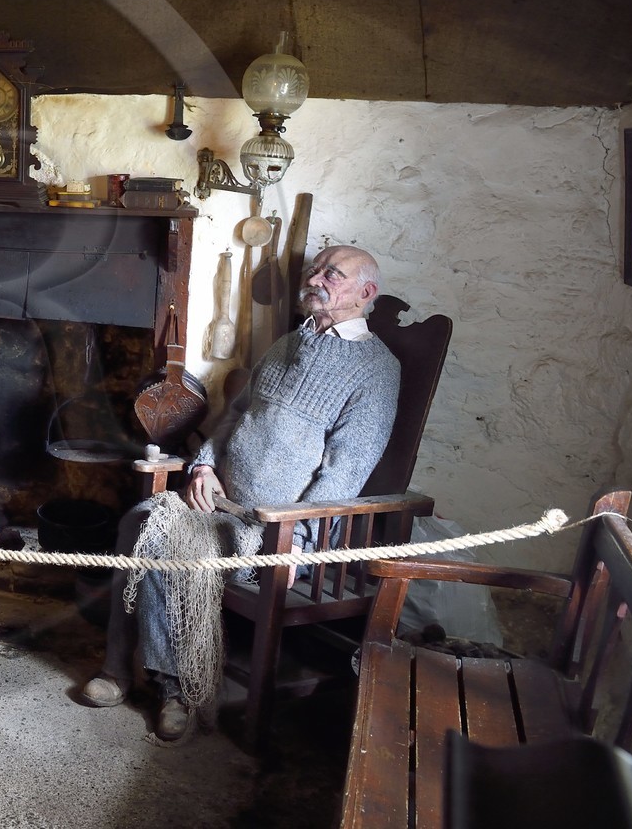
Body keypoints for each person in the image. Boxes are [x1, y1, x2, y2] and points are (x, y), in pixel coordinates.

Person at [82, 244, 401, 740]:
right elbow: (233, 416)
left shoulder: (376, 370)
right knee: (138, 519)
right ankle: (119, 667)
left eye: (331, 274)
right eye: (315, 268)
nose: (315, 277)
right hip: (218, 501)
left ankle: (175, 690)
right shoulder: (286, 345)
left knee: (169, 542)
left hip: (273, 531)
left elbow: (347, 472)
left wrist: (299, 539)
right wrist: (204, 465)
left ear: (365, 293)